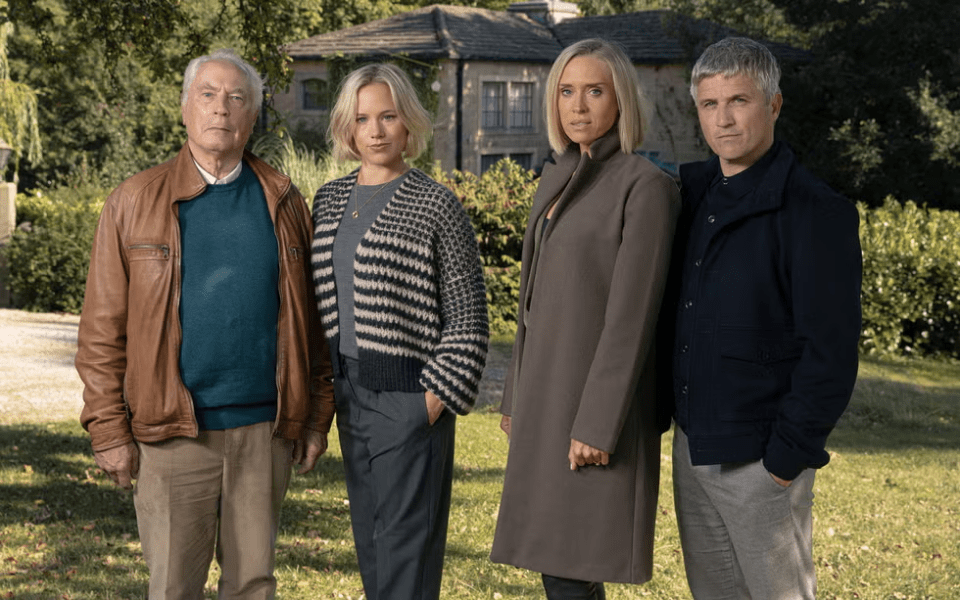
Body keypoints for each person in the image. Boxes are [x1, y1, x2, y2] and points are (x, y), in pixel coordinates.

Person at [75, 48, 335, 600]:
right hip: (172, 438)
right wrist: (106, 428)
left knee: (253, 586)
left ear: (252, 116)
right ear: (185, 109)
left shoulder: (284, 201)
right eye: (209, 95)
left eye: (237, 98)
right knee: (174, 587)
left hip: (264, 434)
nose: (222, 109)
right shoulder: (133, 201)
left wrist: (315, 415)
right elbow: (101, 333)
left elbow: (311, 323)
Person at [661, 37, 862, 599]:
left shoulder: (816, 212)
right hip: (694, 446)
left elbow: (832, 351)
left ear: (773, 104)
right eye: (709, 104)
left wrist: (783, 460)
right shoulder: (694, 195)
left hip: (761, 461)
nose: (723, 119)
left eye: (739, 101)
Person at [490, 38, 681, 599]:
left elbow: (632, 318)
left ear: (620, 99)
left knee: (573, 567)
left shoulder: (645, 187)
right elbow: (531, 305)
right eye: (566, 92)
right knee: (557, 565)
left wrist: (598, 424)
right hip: (545, 401)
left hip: (593, 414)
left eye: (594, 91)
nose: (578, 106)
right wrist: (515, 397)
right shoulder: (556, 177)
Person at [310, 63, 488, 600]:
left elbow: (469, 318)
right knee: (371, 543)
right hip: (349, 396)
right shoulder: (329, 200)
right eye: (363, 118)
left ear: (408, 122)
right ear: (347, 128)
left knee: (406, 556)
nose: (376, 130)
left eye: (388, 116)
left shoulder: (436, 204)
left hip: (408, 397)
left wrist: (430, 402)